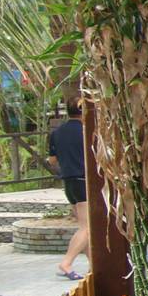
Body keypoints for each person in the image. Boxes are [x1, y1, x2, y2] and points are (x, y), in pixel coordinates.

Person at [47, 99, 90, 280]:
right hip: (83, 180)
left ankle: (93, 266)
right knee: (87, 228)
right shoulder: (85, 131)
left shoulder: (57, 133)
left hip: (69, 182)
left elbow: (52, 160)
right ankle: (67, 263)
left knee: (85, 227)